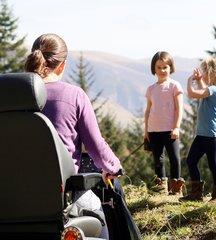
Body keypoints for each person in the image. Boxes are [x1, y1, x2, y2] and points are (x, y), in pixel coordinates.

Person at [24, 33, 123, 239]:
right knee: (100, 220)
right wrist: (113, 167)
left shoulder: (11, 96)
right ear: (62, 65)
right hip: (62, 199)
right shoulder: (74, 96)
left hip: (12, 200)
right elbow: (96, 146)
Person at [179, 55, 216, 203]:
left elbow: (193, 93)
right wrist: (200, 81)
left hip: (213, 136)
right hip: (202, 135)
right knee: (191, 160)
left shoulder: (215, 90)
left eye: (204, 72)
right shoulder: (213, 89)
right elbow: (203, 90)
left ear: (212, 73)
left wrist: (190, 81)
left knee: (214, 165)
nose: (201, 74)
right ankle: (196, 193)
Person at [144, 51, 185, 195]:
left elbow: (179, 108)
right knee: (158, 160)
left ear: (171, 68)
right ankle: (161, 189)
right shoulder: (151, 89)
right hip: (154, 130)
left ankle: (176, 189)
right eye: (159, 67)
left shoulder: (175, 86)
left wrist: (177, 127)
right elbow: (148, 111)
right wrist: (146, 131)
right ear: (153, 69)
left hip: (170, 130)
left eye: (165, 67)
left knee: (174, 159)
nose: (162, 70)